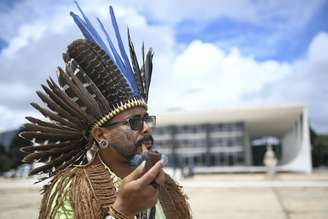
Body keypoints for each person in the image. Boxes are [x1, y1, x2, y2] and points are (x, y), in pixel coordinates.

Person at [20, 2, 191, 219]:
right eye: (134, 122)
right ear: (101, 135)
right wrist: (123, 211)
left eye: (147, 119)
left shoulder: (167, 186)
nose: (146, 126)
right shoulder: (72, 189)